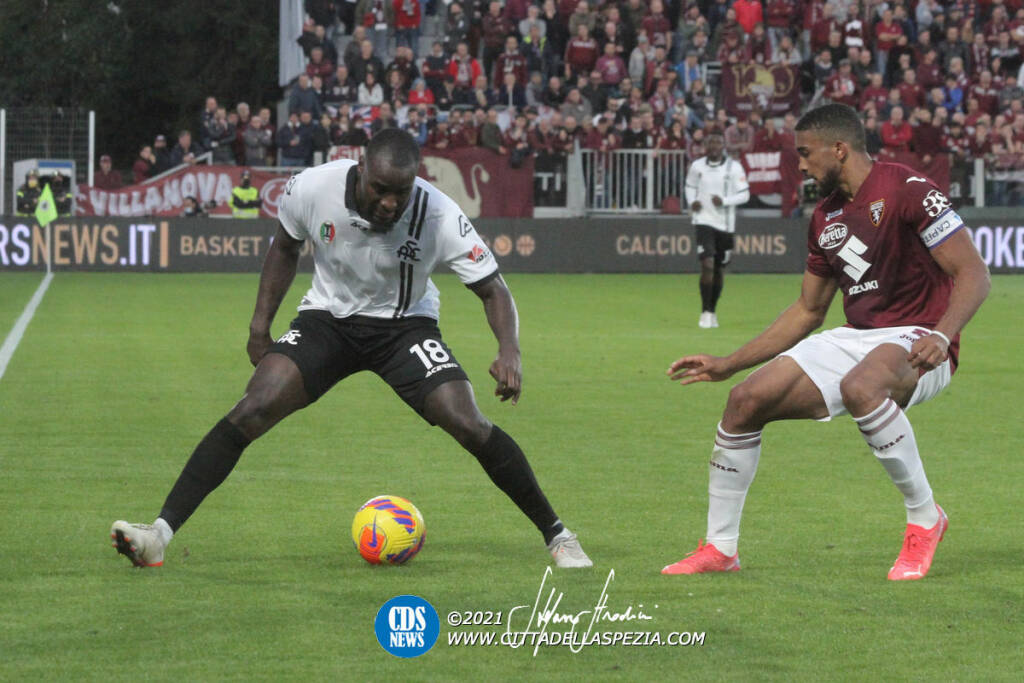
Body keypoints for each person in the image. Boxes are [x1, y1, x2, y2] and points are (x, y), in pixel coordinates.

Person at [110, 128, 592, 570]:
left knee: (468, 421)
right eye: (380, 189)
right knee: (252, 407)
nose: (389, 203)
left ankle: (559, 536)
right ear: (361, 170)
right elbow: (284, 247)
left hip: (405, 328)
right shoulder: (311, 188)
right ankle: (158, 536)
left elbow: (494, 289)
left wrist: (510, 350)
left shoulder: (439, 213)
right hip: (328, 322)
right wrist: (260, 326)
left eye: (400, 193)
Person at [662, 104, 990, 580]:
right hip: (858, 336)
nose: (800, 165)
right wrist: (728, 363)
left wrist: (943, 334)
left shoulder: (908, 189)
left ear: (839, 148)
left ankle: (925, 518)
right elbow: (807, 311)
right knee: (745, 401)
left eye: (806, 154)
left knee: (864, 387)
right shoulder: (825, 217)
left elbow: (974, 273)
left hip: (922, 337)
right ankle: (720, 548)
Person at [683, 129, 749, 328]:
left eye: (717, 143)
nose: (713, 147)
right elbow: (689, 186)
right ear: (705, 146)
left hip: (725, 224)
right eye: (710, 143)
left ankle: (713, 310)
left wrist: (725, 201)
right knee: (708, 264)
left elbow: (745, 194)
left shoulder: (734, 168)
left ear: (723, 146)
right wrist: (692, 201)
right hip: (703, 220)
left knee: (719, 269)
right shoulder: (697, 166)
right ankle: (704, 312)